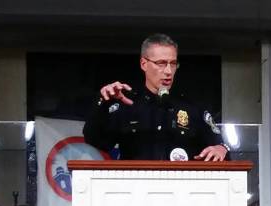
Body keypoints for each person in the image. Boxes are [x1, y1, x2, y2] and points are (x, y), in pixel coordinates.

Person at [83, 34, 229, 161]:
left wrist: (221, 149)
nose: (168, 71)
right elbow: (94, 140)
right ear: (144, 64)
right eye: (161, 63)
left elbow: (221, 149)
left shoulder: (192, 107)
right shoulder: (127, 104)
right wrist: (103, 102)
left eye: (173, 64)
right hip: (135, 188)